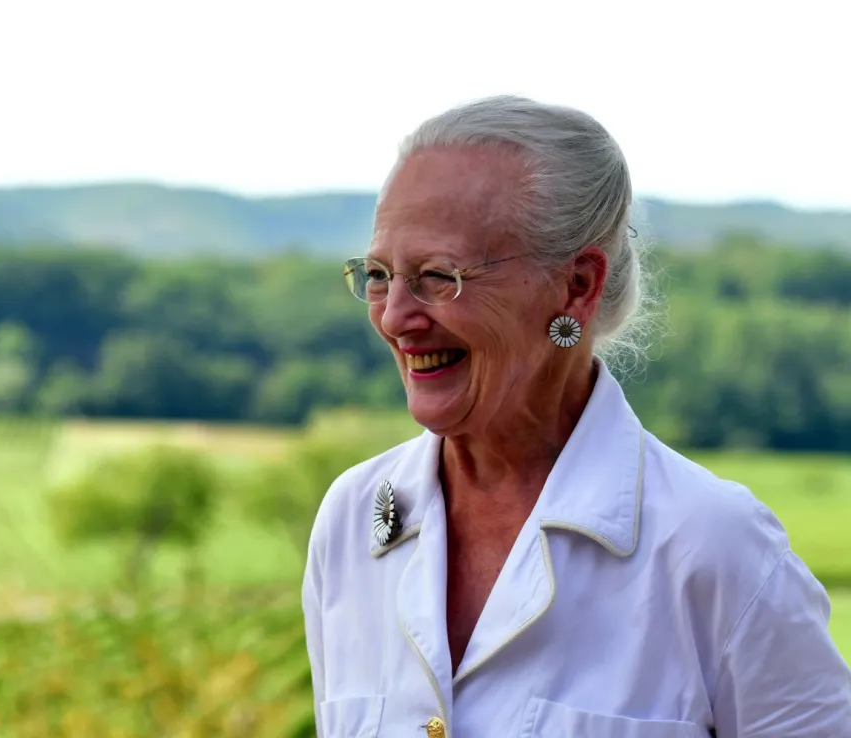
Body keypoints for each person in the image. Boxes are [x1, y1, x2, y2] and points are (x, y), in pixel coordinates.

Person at [302, 95, 851, 737]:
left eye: (437, 275)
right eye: (378, 274)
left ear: (577, 286)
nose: (395, 317)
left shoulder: (718, 551)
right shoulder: (354, 519)